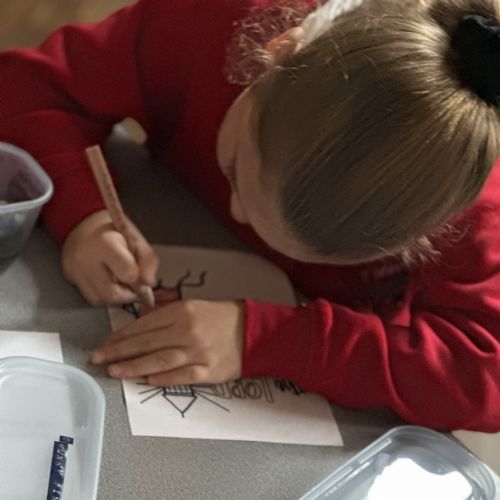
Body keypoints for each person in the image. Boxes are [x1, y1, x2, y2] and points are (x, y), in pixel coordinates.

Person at [1, 0, 500, 432]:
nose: (238, 213)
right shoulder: (205, 21)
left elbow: (487, 375)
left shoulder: (468, 204)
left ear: (421, 239)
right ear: (274, 55)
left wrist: (271, 339)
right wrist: (83, 214)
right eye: (234, 173)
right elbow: (27, 87)